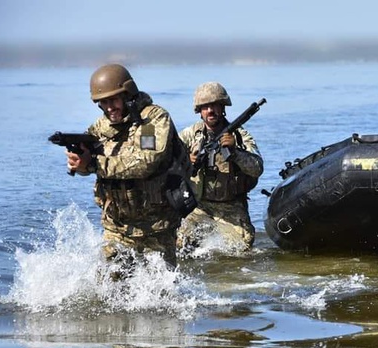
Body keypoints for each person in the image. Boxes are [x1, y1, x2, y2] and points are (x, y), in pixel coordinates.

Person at [66, 63, 190, 270]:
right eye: (103, 102)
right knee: (108, 288)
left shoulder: (153, 120)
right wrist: (80, 163)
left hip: (157, 225)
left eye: (113, 100)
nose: (109, 107)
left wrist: (94, 164)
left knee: (162, 293)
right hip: (117, 225)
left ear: (128, 94)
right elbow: (88, 164)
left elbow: (147, 161)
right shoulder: (100, 127)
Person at [178, 82, 263, 253]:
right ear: (199, 111)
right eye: (205, 106)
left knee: (242, 248)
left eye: (214, 105)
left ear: (222, 107)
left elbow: (257, 168)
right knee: (179, 245)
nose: (210, 110)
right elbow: (165, 165)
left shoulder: (239, 136)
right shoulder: (188, 135)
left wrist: (235, 152)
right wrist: (186, 162)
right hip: (198, 207)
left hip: (231, 206)